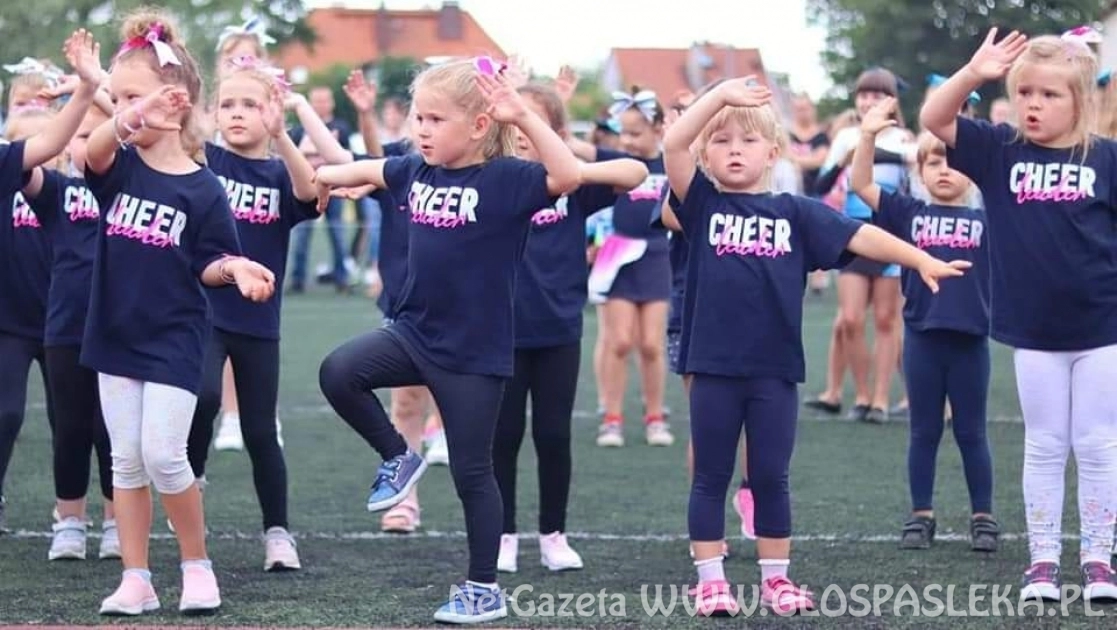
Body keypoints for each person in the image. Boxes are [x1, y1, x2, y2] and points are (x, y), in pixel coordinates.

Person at [660, 76, 968, 616]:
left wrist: (919, 258)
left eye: (748, 140)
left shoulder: (794, 213)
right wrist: (722, 98)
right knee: (710, 474)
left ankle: (777, 579)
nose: (735, 149)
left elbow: (860, 236)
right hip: (711, 367)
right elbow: (671, 145)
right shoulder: (701, 204)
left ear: (773, 152)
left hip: (775, 371)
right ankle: (710, 580)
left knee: (771, 477)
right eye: (722, 140)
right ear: (706, 154)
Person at [313, 58, 580, 623]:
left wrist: (523, 114)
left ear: (480, 125)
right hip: (413, 334)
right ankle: (397, 456)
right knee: (339, 372)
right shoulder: (416, 171)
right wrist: (324, 180)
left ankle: (482, 589)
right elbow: (363, 168)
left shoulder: (508, 179)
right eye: (418, 118)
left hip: (474, 356)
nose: (422, 130)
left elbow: (569, 176)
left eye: (436, 119)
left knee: (471, 473)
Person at [83, 10, 275, 615]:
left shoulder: (204, 186)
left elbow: (211, 261)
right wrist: (128, 115)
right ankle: (136, 577)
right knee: (126, 459)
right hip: (113, 330)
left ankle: (197, 565)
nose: (123, 108)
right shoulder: (120, 165)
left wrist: (235, 268)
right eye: (117, 99)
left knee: (166, 455)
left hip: (173, 338)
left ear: (178, 100)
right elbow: (92, 147)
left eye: (133, 95)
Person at [922, 26, 1117, 603]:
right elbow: (936, 117)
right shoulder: (999, 149)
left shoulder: (1106, 158)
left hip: (1103, 327)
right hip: (1034, 332)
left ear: (1080, 98)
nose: (1034, 103)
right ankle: (1043, 562)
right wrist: (974, 74)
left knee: (1099, 442)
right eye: (1025, 91)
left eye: (1050, 94)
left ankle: (1100, 559)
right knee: (1045, 443)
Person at [493, 82, 647, 574]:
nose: (521, 133)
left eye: (530, 123)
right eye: (512, 123)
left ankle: (553, 535)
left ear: (555, 132)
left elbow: (635, 171)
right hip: (500, 330)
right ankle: (502, 535)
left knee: (554, 435)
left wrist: (570, 167)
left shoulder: (572, 187)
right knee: (503, 435)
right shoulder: (491, 179)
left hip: (558, 329)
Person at [183, 54, 320, 572]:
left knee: (261, 431)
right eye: (228, 104)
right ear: (213, 113)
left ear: (270, 112)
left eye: (250, 105)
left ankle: (278, 533)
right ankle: (189, 491)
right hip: (204, 312)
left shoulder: (280, 172)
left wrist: (284, 136)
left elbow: (310, 194)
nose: (237, 113)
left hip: (259, 322)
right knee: (202, 397)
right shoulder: (205, 161)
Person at [852, 98, 997, 552]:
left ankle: (983, 517)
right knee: (924, 431)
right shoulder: (908, 213)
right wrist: (868, 134)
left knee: (972, 431)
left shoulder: (988, 216)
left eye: (954, 160)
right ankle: (921, 515)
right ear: (919, 170)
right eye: (934, 161)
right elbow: (860, 183)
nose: (944, 169)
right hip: (921, 338)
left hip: (971, 340)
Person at [0, 32, 103, 542]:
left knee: (79, 424)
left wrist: (87, 86)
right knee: (5, 412)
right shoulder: (14, 171)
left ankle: (90, 514)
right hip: (12, 319)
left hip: (66, 321)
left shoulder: (71, 187)